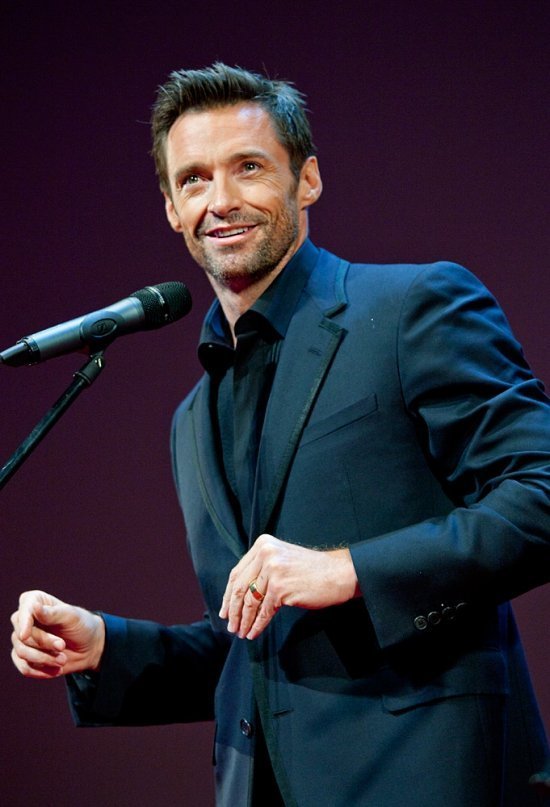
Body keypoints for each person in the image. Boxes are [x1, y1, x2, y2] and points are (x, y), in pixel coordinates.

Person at [10, 63, 550, 806]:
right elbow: (252, 648)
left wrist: (350, 569)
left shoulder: (412, 307)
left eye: (249, 168)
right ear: (171, 209)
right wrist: (104, 645)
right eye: (194, 180)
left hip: (430, 778)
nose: (221, 200)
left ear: (308, 181)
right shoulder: (191, 421)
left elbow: (540, 495)